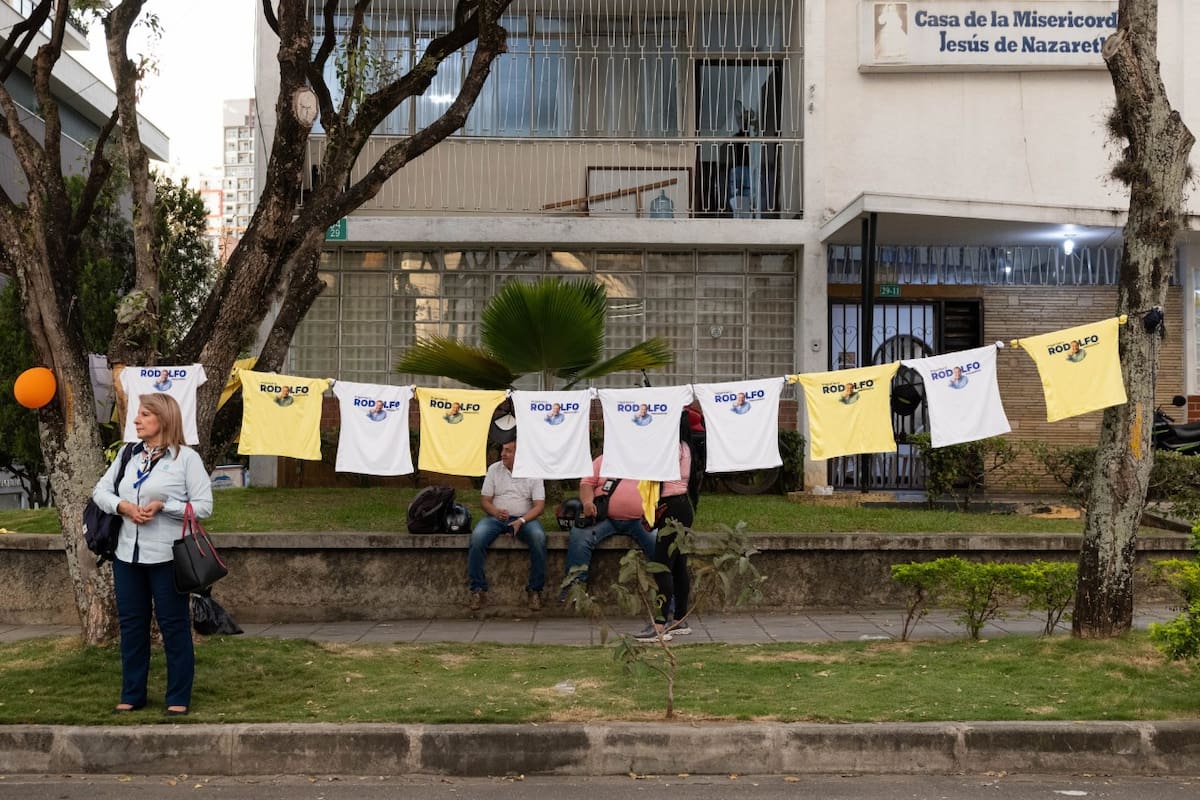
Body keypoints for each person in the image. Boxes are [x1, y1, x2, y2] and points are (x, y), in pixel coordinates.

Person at [91, 392, 213, 716]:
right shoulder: (128, 455)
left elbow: (204, 507)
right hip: (127, 555)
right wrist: (123, 506)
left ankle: (178, 697)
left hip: (168, 557)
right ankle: (133, 694)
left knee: (173, 625)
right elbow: (100, 491)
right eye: (138, 415)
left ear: (164, 419)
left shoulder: (186, 459)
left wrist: (164, 507)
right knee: (132, 625)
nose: (136, 420)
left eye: (145, 415)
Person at [467, 438, 547, 611]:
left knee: (539, 538)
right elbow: (485, 501)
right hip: (497, 518)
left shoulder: (533, 471)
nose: (503, 454)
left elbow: (539, 507)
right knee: (477, 537)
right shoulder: (494, 469)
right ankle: (477, 590)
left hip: (525, 518)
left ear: (520, 454)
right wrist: (495, 511)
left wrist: (522, 520)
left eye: (508, 451)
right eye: (503, 450)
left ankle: (535, 590)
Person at [636, 413, 695, 643]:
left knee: (662, 565)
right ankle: (680, 618)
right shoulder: (684, 446)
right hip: (682, 506)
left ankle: (660, 624)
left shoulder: (672, 448)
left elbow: (655, 471)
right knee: (678, 564)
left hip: (672, 508)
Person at [563, 455, 657, 597]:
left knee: (660, 542)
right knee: (580, 536)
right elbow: (586, 483)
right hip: (604, 518)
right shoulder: (602, 459)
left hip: (641, 519)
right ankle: (575, 591)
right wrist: (588, 503)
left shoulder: (650, 459)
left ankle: (669, 594)